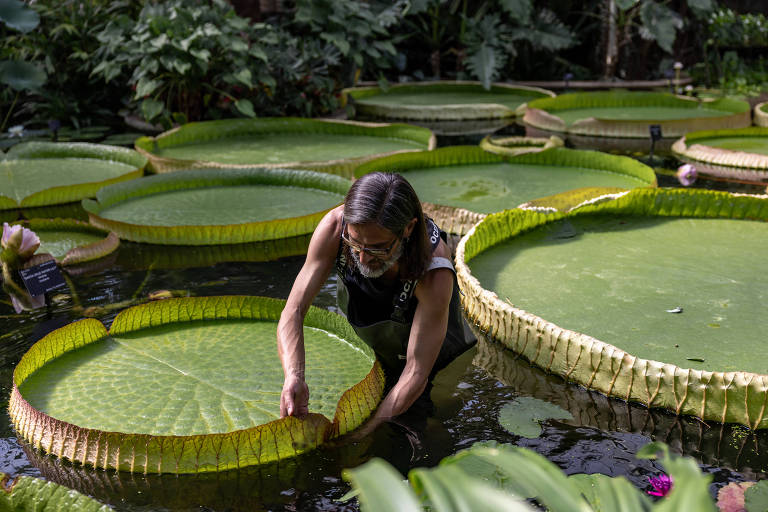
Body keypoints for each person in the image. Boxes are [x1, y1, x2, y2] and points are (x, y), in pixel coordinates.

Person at [277, 171, 475, 435]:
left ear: (408, 228)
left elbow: (416, 372)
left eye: (378, 248)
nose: (363, 258)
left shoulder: (434, 272)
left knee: (423, 425)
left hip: (437, 356)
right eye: (355, 244)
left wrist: (366, 432)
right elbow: (294, 311)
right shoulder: (336, 228)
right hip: (376, 342)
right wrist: (294, 376)